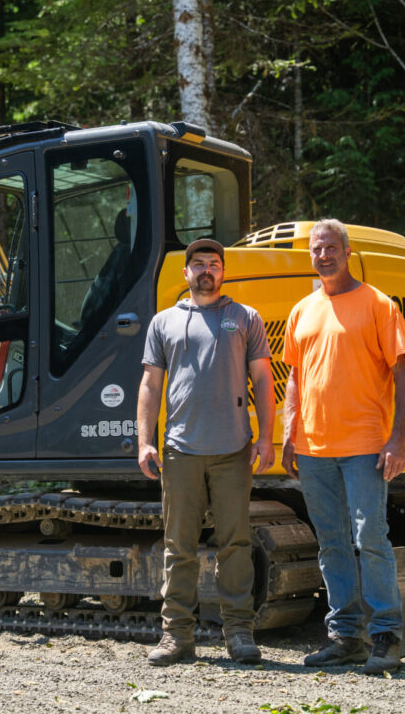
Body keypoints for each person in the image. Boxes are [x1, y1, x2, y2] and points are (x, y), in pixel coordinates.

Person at [281, 219, 405, 676]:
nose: (324, 255)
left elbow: (404, 373)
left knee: (370, 539)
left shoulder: (378, 304)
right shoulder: (302, 310)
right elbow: (296, 377)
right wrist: (289, 432)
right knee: (332, 543)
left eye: (331, 247)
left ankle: (386, 636)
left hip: (364, 447)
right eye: (317, 249)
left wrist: (397, 439)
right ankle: (344, 636)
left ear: (347, 250)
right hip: (314, 449)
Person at [137, 238, 275, 666]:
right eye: (199, 264)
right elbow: (150, 386)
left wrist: (267, 436)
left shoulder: (244, 318)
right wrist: (144, 441)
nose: (207, 270)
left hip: (234, 450)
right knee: (179, 546)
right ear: (186, 273)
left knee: (235, 544)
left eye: (214, 264)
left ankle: (239, 634)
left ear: (223, 272)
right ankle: (176, 635)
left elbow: (264, 381)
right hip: (180, 451)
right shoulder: (163, 323)